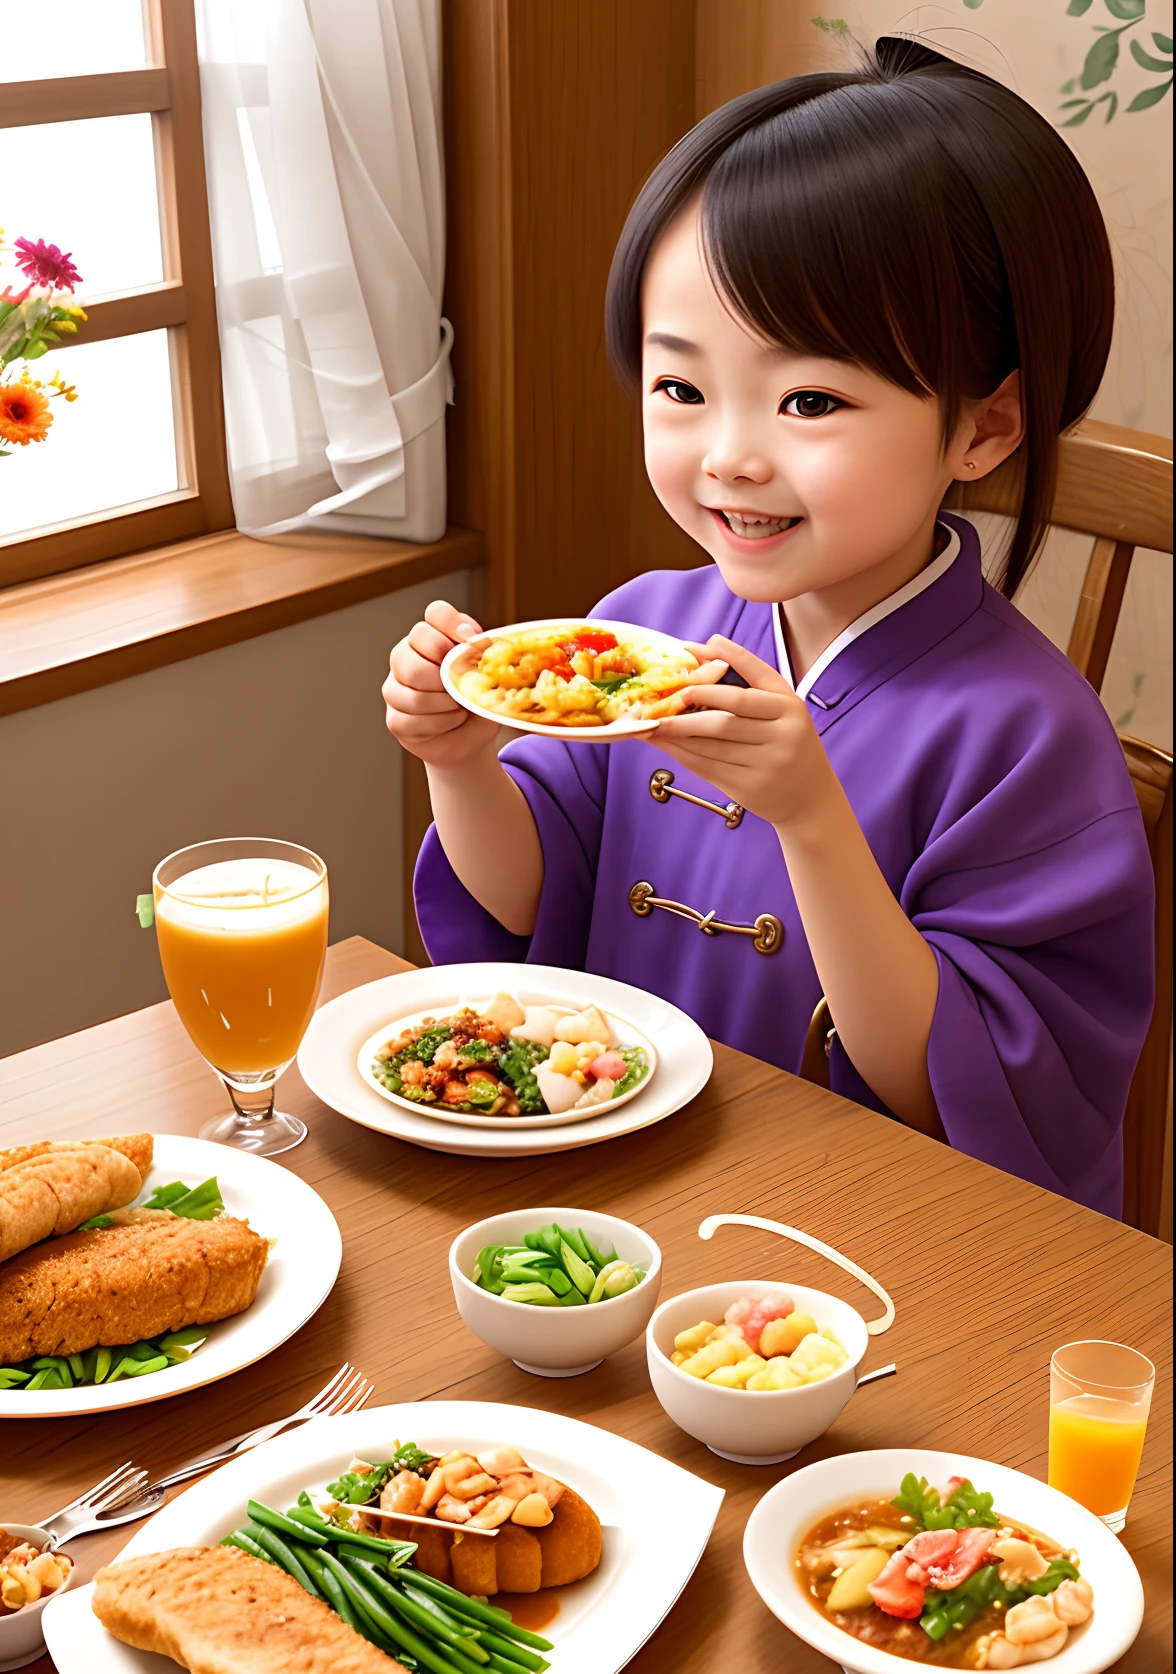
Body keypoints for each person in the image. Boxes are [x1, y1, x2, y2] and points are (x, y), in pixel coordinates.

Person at [381, 38, 1154, 1217]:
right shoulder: (635, 634)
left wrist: (810, 814)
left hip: (866, 1240)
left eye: (809, 400)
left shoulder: (1027, 735)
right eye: (681, 387)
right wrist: (459, 759)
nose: (731, 454)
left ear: (983, 427)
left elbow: (968, 1093)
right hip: (631, 1191)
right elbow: (533, 903)